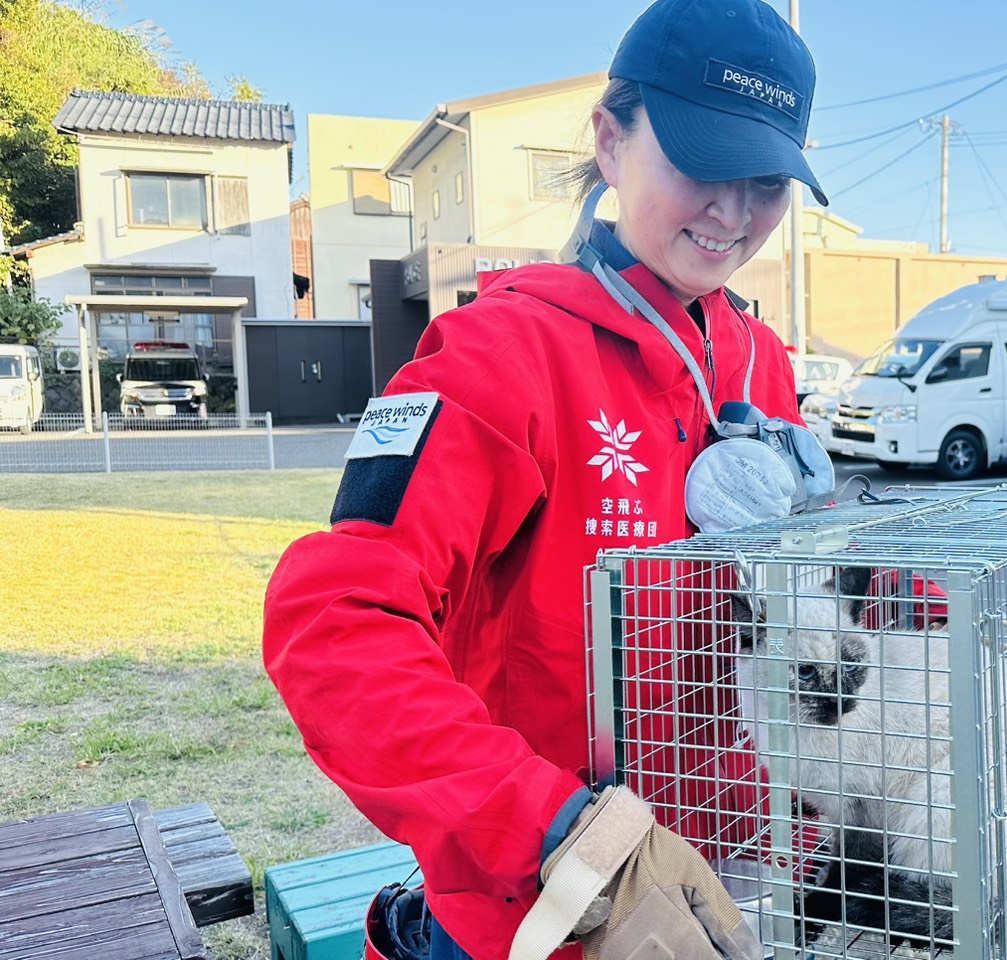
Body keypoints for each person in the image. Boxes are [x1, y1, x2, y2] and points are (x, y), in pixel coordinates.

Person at [262, 2, 829, 958]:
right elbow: (335, 622)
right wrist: (567, 835)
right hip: (546, 913)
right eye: (700, 163)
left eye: (767, 181)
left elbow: (812, 592)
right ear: (610, 140)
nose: (733, 214)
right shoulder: (499, 356)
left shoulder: (759, 363)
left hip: (733, 886)